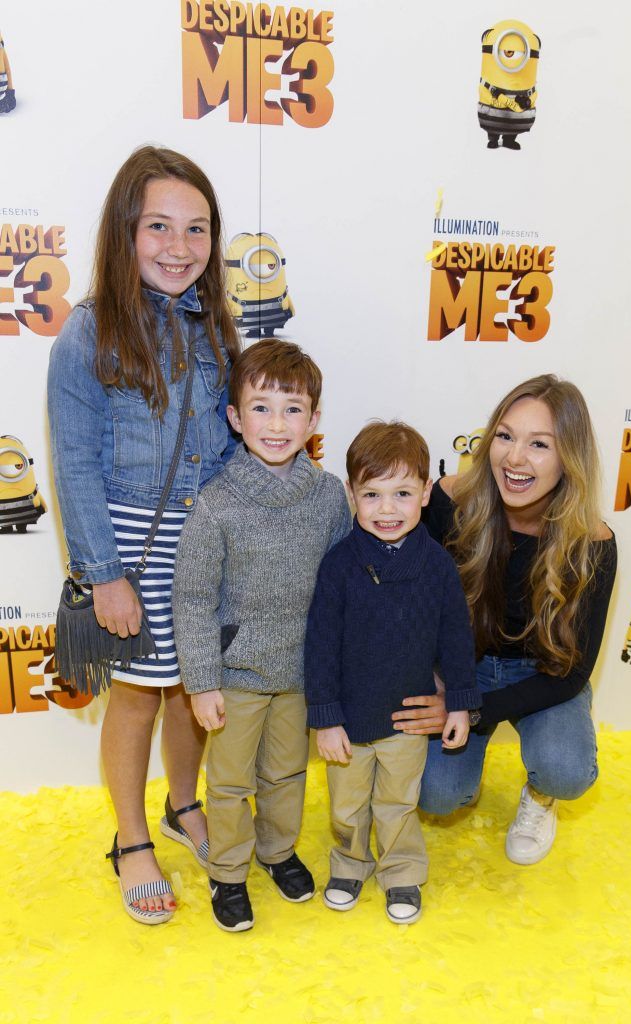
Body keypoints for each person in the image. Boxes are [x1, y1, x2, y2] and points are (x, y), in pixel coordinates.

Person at [47, 145, 240, 924]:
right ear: (125, 232)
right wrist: (105, 575)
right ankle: (131, 840)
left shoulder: (215, 329)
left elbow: (225, 451)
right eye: (158, 225)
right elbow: (72, 466)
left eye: (196, 229)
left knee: (196, 694)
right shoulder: (86, 334)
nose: (178, 247)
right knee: (135, 699)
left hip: (200, 548)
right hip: (127, 547)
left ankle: (183, 805)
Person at [392, 375, 617, 865]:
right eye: (506, 436)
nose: (515, 458)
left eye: (540, 444)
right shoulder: (449, 504)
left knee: (566, 769)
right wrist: (436, 678)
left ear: (569, 459)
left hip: (543, 676)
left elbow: (573, 673)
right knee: (437, 796)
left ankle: (541, 797)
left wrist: (470, 709)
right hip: (462, 665)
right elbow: (405, 600)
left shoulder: (591, 543)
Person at [172, 339, 351, 933]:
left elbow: (342, 588)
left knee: (287, 774)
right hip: (235, 675)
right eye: (262, 407)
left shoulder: (329, 498)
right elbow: (194, 596)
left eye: (293, 408)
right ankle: (228, 871)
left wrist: (340, 670)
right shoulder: (217, 502)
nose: (277, 424)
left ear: (315, 420)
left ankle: (277, 852)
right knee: (227, 782)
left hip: (301, 674)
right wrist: (201, 682)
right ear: (234, 417)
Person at [304, 422, 481, 924]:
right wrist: (325, 718)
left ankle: (401, 873)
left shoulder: (439, 567)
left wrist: (462, 704)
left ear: (426, 492)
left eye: (402, 493)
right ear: (350, 495)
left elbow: (455, 641)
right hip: (349, 723)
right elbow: (320, 646)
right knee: (346, 805)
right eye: (372, 494)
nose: (387, 509)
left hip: (408, 718)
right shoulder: (338, 566)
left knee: (398, 803)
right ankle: (350, 864)